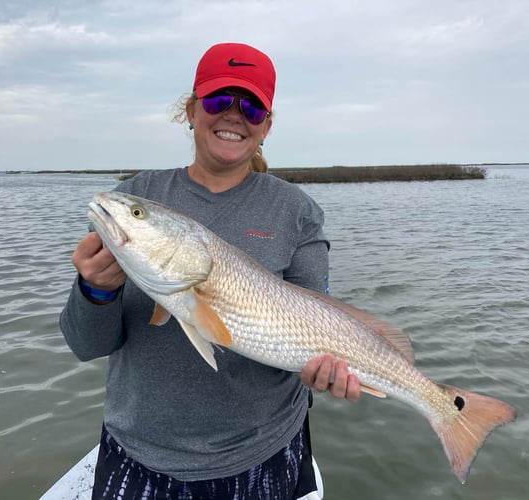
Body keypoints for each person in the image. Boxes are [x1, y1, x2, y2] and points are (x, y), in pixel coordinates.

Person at [60, 42, 360, 500]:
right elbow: (86, 345)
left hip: (264, 452)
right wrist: (95, 291)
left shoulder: (296, 210)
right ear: (191, 110)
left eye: (252, 108)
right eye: (220, 101)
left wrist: (322, 371)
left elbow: (317, 314)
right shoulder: (137, 194)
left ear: (267, 126)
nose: (234, 117)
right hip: (139, 451)